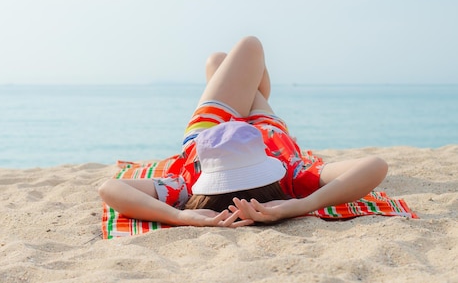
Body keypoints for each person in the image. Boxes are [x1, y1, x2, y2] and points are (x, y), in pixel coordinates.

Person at [98, 36, 388, 227]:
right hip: (266, 133)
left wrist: (180, 216)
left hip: (210, 134)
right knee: (239, 52)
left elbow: (109, 188)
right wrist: (301, 206)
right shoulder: (292, 178)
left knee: (224, 59)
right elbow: (376, 165)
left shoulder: (187, 187)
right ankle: (235, 79)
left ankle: (231, 76)